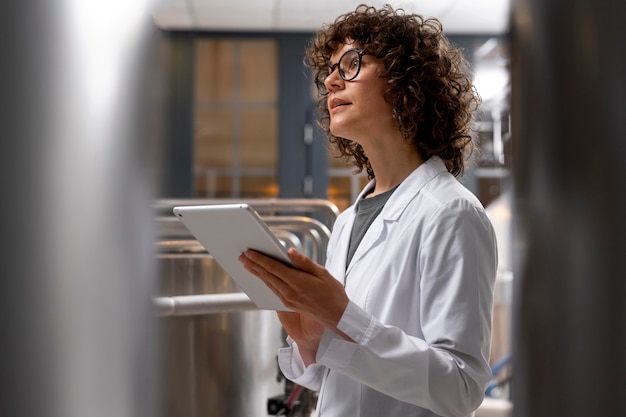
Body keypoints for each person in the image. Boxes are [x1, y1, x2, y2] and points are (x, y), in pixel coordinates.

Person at [239, 4, 497, 417]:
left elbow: (461, 387)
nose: (331, 79)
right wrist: (311, 338)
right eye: (330, 70)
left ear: (406, 81)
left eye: (352, 63)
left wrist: (342, 316)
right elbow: (342, 376)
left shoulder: (451, 212)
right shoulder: (346, 222)